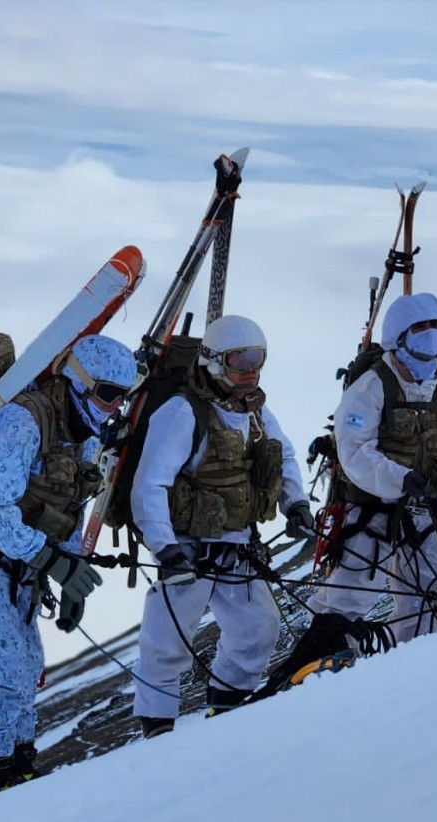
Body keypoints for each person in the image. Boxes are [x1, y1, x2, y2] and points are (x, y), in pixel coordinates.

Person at [275, 292, 437, 680]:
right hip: (370, 509)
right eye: (421, 327)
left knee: (429, 590)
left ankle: (414, 673)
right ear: (398, 336)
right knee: (351, 588)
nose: (431, 335)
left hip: (424, 509)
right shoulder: (372, 385)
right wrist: (398, 477)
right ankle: (308, 666)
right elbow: (354, 450)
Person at [0, 333, 136, 796]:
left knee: (27, 670)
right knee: (4, 674)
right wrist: (53, 562)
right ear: (78, 380)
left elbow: (68, 506)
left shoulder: (81, 435)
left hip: (25, 561)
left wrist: (65, 574)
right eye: (108, 394)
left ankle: (22, 774)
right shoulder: (21, 422)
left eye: (122, 399)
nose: (114, 408)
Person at [130, 314, 315, 738]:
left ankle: (229, 716)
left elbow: (282, 456)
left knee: (258, 629)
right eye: (241, 359)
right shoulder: (180, 412)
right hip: (187, 548)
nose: (252, 369)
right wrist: (164, 547)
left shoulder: (256, 411)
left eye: (259, 358)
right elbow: (150, 485)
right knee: (166, 645)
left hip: (239, 545)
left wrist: (297, 503)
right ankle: (157, 734)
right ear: (213, 361)